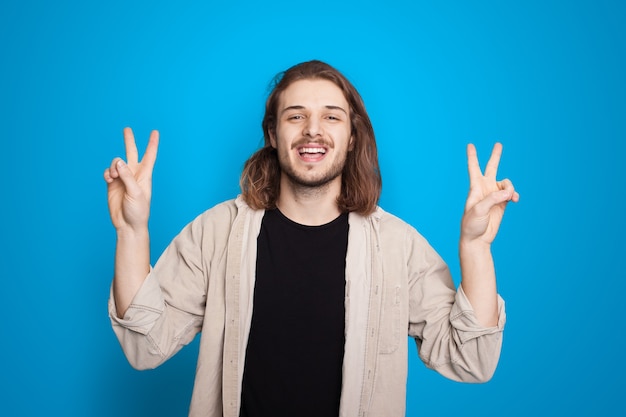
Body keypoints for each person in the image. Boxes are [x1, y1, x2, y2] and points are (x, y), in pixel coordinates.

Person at [104, 60, 519, 417]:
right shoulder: (217, 231)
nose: (313, 131)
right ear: (273, 133)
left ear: (352, 136)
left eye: (332, 116)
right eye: (296, 116)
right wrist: (131, 231)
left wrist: (476, 249)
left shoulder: (397, 245)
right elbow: (145, 346)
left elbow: (471, 360)